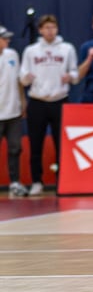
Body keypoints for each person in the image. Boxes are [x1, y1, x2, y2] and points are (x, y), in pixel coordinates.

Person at [18, 15, 78, 196]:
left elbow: (75, 74)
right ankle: (37, 181)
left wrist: (70, 77)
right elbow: (22, 76)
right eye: (46, 28)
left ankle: (63, 181)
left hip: (59, 100)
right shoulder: (31, 50)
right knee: (35, 144)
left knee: (62, 144)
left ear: (57, 29)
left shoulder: (67, 49)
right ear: (40, 30)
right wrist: (26, 78)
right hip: (38, 101)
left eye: (53, 27)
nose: (50, 31)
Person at [0, 25, 28, 198]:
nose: (8, 40)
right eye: (4, 37)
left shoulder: (12, 55)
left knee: (15, 148)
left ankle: (15, 183)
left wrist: (22, 101)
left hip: (13, 111)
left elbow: (18, 80)